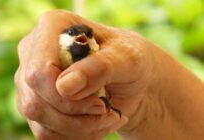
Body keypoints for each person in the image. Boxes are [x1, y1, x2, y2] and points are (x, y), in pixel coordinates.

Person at [14, 10, 204, 140]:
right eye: (74, 34)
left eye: (88, 36)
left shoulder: (93, 52)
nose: (83, 38)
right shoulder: (60, 53)